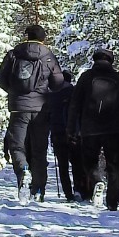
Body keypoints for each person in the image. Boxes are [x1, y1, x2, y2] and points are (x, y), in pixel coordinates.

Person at [0, 24, 66, 201]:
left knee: (17, 145)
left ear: (27, 36)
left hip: (18, 108)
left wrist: (15, 92)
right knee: (39, 149)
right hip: (41, 108)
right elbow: (58, 82)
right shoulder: (48, 56)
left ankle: (23, 172)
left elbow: (1, 79)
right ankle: (38, 190)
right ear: (43, 38)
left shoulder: (14, 54)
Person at [69, 47, 119, 211]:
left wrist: (71, 127)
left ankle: (97, 180)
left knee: (90, 162)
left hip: (90, 128)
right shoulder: (118, 78)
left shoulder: (86, 77)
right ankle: (112, 203)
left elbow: (74, 104)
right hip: (115, 129)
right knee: (114, 165)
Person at [47, 70, 80, 200]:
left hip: (57, 133)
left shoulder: (52, 95)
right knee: (77, 163)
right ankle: (79, 189)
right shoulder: (74, 93)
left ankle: (68, 193)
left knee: (63, 165)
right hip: (73, 133)